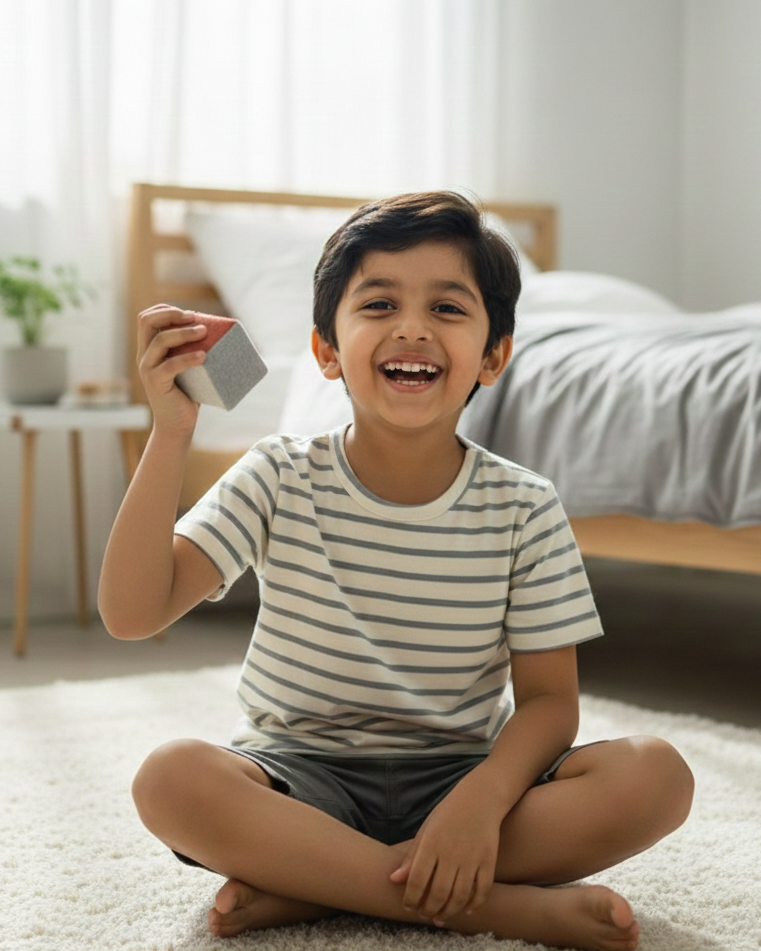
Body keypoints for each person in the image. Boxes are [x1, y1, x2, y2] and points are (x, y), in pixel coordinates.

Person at [98, 191, 694, 951]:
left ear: (492, 355)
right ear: (325, 351)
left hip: (463, 781)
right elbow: (131, 612)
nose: (411, 326)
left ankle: (314, 884)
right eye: (378, 303)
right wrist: (171, 432)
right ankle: (478, 903)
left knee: (656, 775)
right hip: (298, 780)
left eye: (447, 308)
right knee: (170, 777)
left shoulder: (525, 505)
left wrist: (478, 803)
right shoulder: (275, 473)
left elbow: (548, 705)